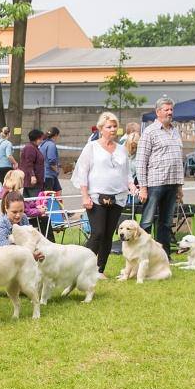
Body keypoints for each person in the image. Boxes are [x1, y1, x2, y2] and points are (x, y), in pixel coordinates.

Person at [75, 111, 137, 275]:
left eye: (115, 126)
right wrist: (85, 195)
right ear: (101, 129)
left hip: (117, 197)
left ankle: (99, 270)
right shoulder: (92, 147)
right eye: (109, 126)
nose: (113, 129)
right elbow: (82, 172)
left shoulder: (122, 149)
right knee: (98, 233)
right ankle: (80, 267)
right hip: (96, 197)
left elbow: (127, 172)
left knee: (108, 235)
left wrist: (132, 186)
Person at [136, 96, 185, 257]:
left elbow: (178, 159)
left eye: (171, 109)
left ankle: (164, 255)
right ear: (158, 112)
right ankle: (141, 253)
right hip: (155, 184)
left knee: (165, 222)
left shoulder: (175, 131)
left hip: (172, 183)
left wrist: (179, 187)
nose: (170, 112)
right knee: (147, 221)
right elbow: (141, 161)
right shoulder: (150, 132)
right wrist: (143, 187)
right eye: (167, 109)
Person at [19, 128, 45, 202]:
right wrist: (32, 176)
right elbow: (29, 163)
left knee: (27, 201)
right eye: (40, 139)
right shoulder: (30, 148)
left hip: (33, 180)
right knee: (34, 201)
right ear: (36, 139)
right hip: (32, 181)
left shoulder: (34, 147)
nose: (41, 141)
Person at [40, 126, 61, 192]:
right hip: (49, 174)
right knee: (48, 195)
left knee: (58, 191)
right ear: (56, 135)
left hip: (45, 173)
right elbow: (52, 161)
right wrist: (57, 170)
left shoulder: (43, 144)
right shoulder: (51, 145)